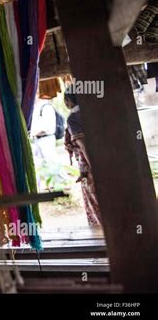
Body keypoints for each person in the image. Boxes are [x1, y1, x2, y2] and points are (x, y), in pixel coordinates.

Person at [64, 92, 102, 227]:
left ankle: (108, 230)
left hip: (89, 165)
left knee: (97, 199)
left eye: (65, 100)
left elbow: (82, 144)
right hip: (106, 158)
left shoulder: (73, 118)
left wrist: (95, 167)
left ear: (69, 100)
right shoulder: (95, 111)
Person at [30, 97, 57, 162]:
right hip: (38, 140)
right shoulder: (37, 108)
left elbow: (47, 128)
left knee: (50, 163)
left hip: (46, 140)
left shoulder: (46, 107)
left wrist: (32, 133)